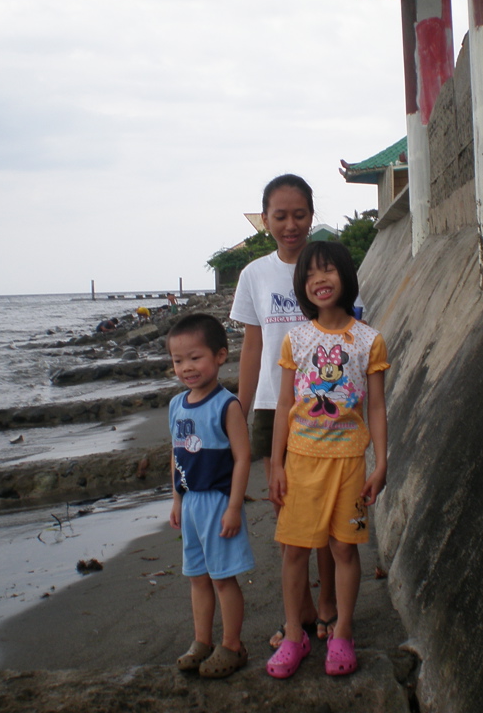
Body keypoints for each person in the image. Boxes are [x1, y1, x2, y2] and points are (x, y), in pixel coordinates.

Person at [266, 241, 389, 679]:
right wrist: (277, 463)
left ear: (346, 277)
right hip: (301, 460)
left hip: (350, 461)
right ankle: (295, 636)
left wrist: (381, 462)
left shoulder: (369, 339)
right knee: (295, 549)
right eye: (311, 273)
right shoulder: (295, 338)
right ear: (302, 285)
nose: (321, 280)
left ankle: (342, 632)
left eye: (330, 271)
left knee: (343, 548)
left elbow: (375, 406)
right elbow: (284, 406)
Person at [229, 174, 340, 648]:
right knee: (289, 511)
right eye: (280, 216)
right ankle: (304, 613)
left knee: (330, 511)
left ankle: (331, 606)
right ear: (266, 220)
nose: (290, 224)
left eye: (299, 215)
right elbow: (253, 347)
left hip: (325, 410)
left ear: (311, 216)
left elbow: (346, 334)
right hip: (276, 409)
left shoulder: (330, 268)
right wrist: (239, 404)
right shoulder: (255, 274)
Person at [167, 313, 254, 679]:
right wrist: (176, 498)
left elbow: (242, 457)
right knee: (197, 577)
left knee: (222, 578)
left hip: (218, 503)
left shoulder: (226, 405)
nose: (187, 367)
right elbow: (175, 454)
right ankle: (202, 641)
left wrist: (234, 507)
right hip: (191, 504)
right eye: (178, 360)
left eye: (195, 357)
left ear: (220, 356)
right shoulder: (176, 405)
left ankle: (232, 644)